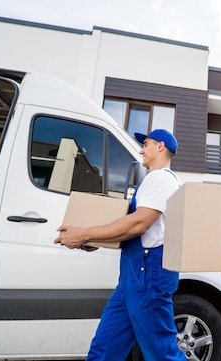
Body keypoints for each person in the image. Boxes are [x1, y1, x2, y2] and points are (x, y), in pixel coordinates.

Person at [54, 129, 185, 361]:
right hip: (132, 279)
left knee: (162, 353)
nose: (141, 150)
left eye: (146, 144)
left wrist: (85, 234)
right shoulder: (154, 180)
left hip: (148, 277)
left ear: (161, 146)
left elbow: (139, 224)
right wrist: (96, 240)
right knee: (105, 348)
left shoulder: (160, 178)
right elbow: (134, 228)